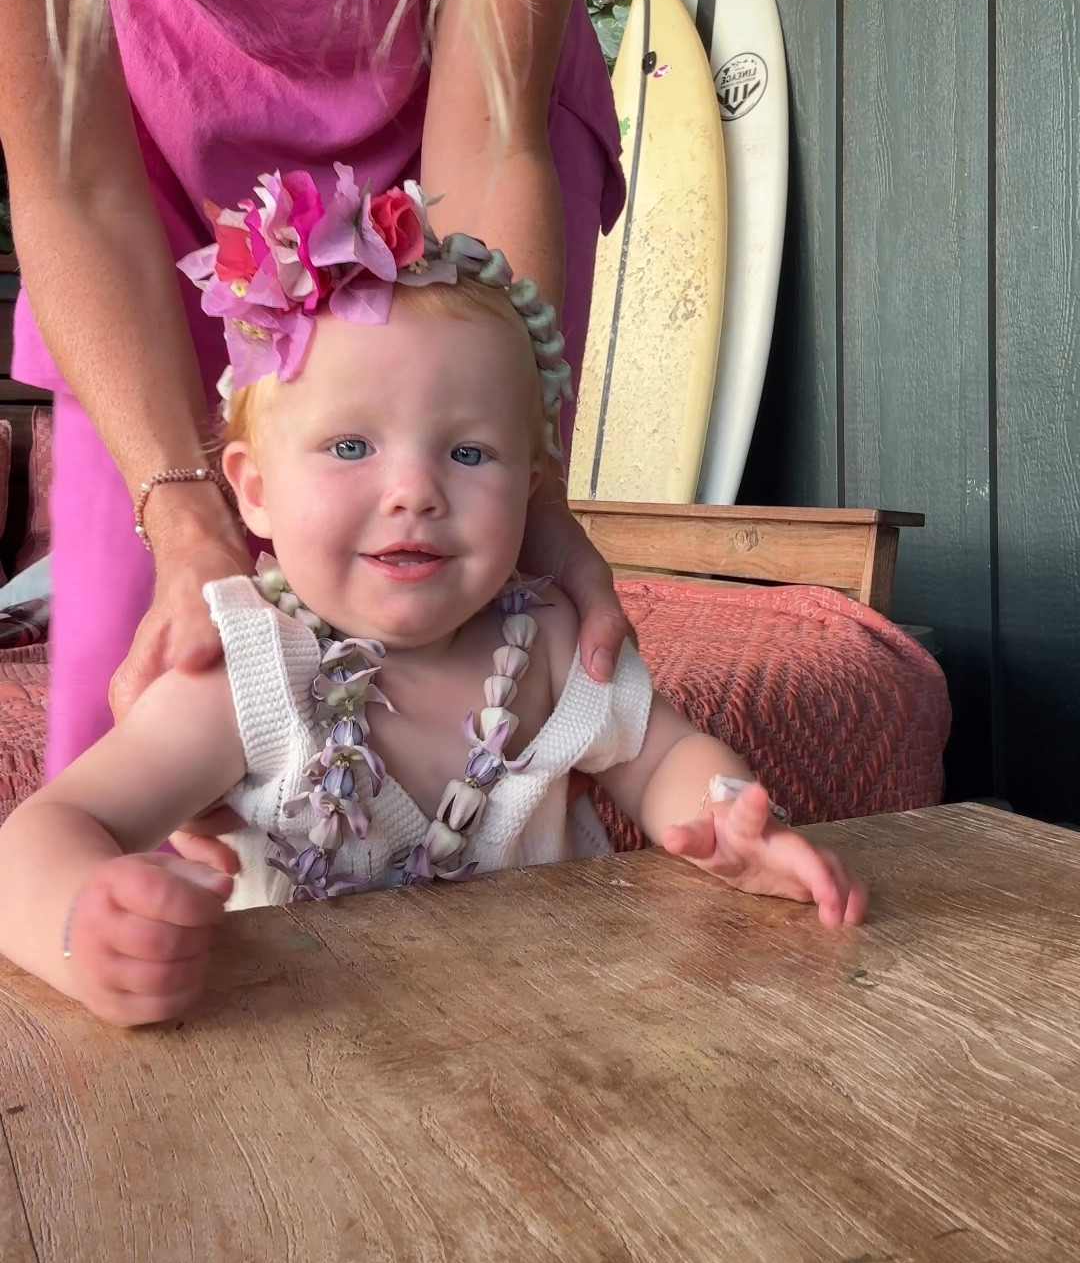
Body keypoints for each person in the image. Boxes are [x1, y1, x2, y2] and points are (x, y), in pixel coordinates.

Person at [0, 0, 657, 779]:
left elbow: (492, 118)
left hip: (461, 168)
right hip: (146, 175)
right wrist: (184, 514)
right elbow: (68, 169)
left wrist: (523, 481)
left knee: (467, 697)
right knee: (140, 716)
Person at [0, 181, 867, 1026]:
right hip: (312, 1062)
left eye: (470, 453)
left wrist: (728, 820)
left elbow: (663, 755)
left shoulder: (551, 646)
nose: (414, 490)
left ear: (531, 490)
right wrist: (82, 927)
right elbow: (49, 832)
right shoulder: (250, 675)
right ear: (254, 491)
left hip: (557, 1036)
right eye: (351, 446)